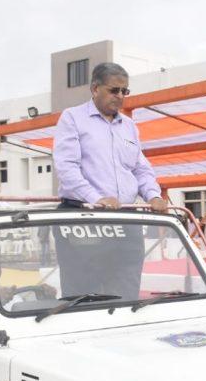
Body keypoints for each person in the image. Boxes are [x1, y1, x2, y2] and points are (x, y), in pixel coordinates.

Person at [52, 62, 165, 298]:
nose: (121, 96)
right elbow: (66, 169)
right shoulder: (72, 118)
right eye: (114, 90)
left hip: (125, 220)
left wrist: (154, 195)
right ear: (95, 89)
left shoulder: (130, 127)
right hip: (84, 219)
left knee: (126, 292)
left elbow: (141, 169)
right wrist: (97, 199)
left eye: (125, 91)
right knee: (84, 296)